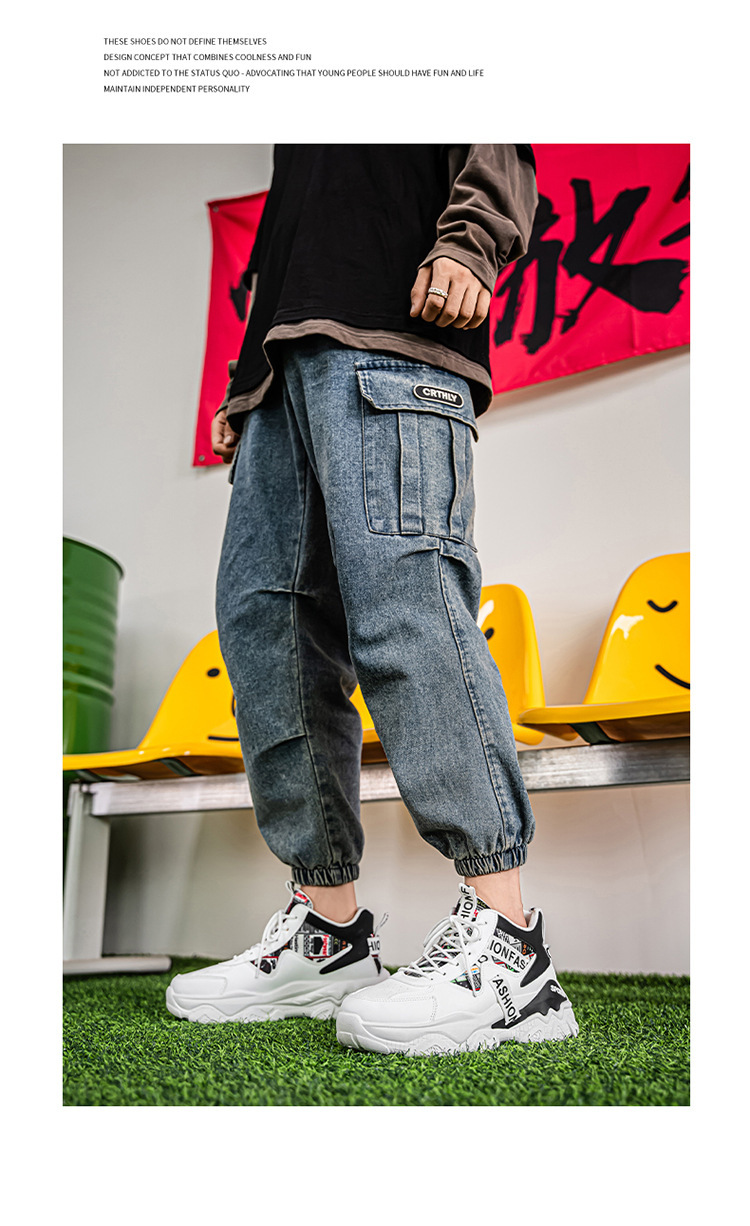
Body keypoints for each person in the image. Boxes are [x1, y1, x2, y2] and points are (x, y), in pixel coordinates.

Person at [166, 145, 578, 1053]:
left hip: (392, 333)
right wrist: (245, 382)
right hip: (277, 375)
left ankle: (510, 945)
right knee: (267, 635)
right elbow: (293, 234)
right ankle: (328, 936)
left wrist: (472, 240)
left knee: (406, 608)